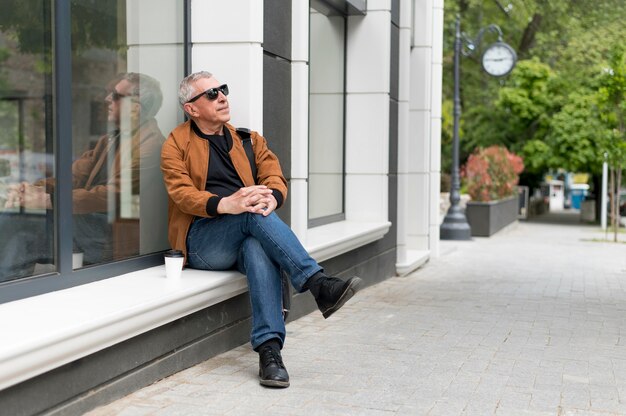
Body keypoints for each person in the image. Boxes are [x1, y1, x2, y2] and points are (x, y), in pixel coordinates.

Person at [161, 71, 362, 388]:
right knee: (250, 215)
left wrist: (271, 197)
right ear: (191, 108)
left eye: (222, 90)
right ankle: (318, 283)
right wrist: (227, 203)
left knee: (257, 243)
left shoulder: (248, 139)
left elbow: (275, 176)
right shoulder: (176, 143)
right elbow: (181, 193)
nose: (223, 97)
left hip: (245, 232)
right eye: (211, 94)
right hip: (202, 240)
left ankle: (270, 354)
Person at [2, 72, 164, 277]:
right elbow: (74, 176)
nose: (107, 100)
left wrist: (47, 200)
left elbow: (114, 195)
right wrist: (33, 189)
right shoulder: (111, 139)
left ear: (135, 108)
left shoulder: (151, 146)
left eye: (115, 96)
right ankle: (11, 291)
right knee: (19, 226)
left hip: (113, 236)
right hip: (89, 223)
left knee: (19, 222)